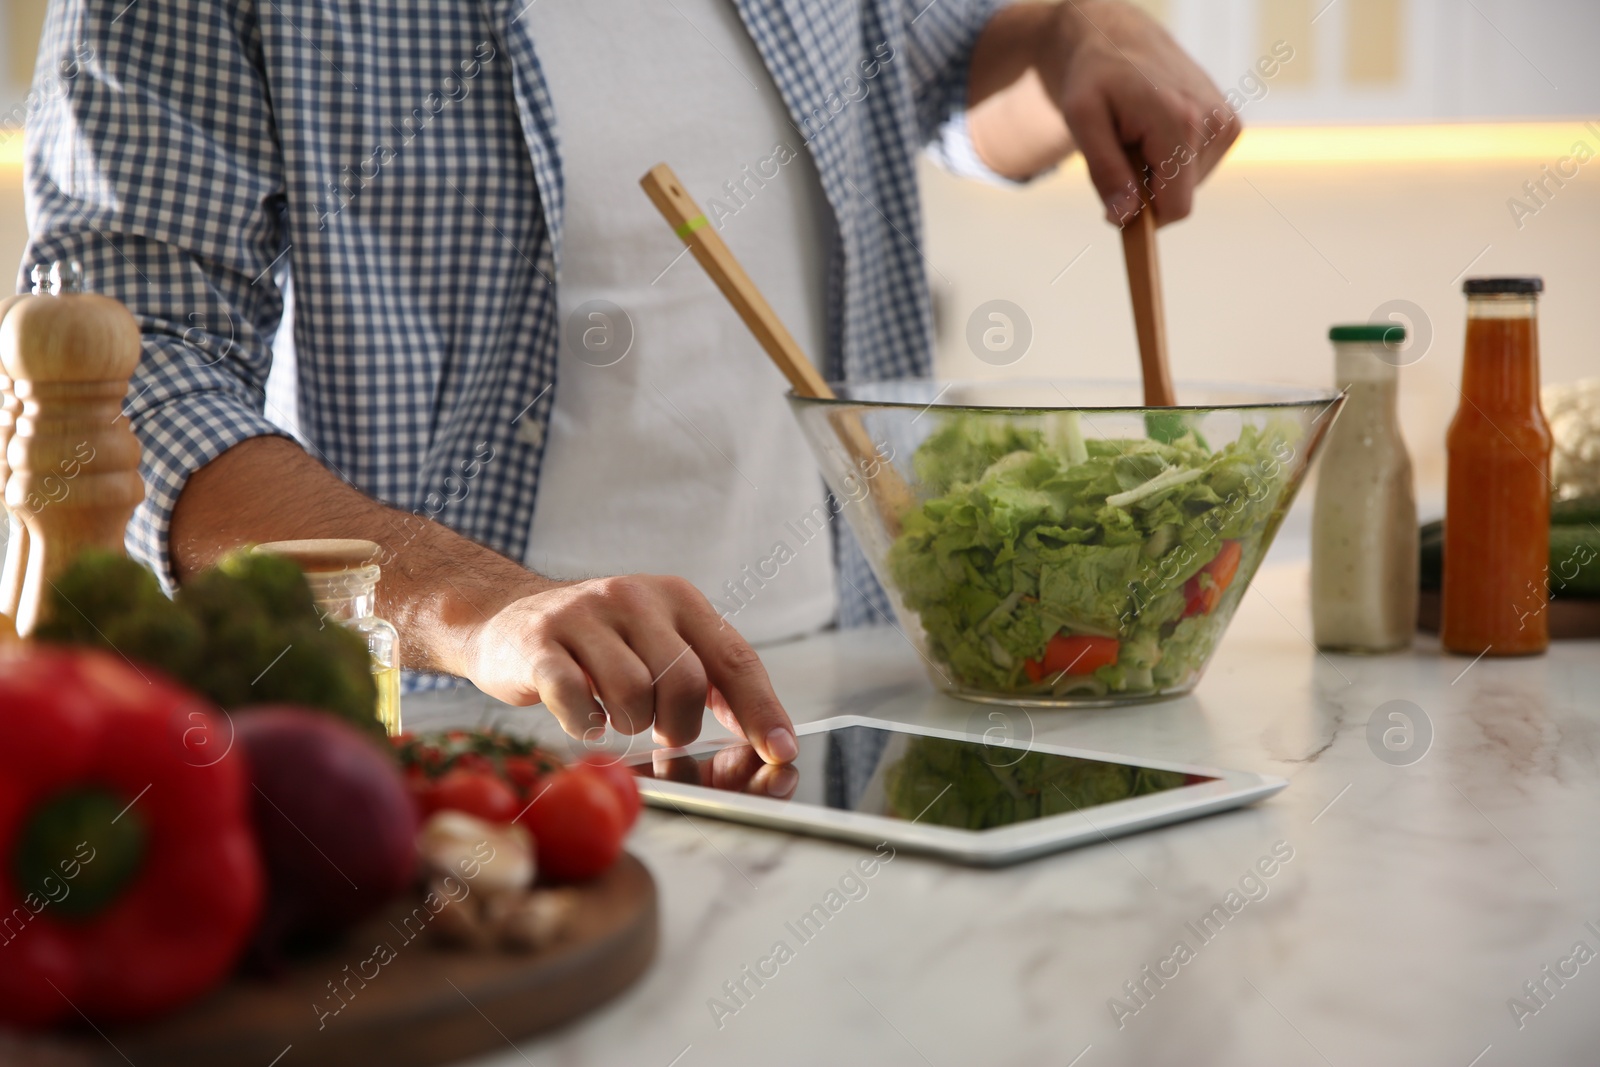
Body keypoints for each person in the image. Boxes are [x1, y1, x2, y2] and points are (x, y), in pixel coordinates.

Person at [22, 0, 1236, 763]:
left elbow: (940, 67)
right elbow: (134, 376)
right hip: (445, 741)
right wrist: (480, 606)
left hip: (847, 712)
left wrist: (1069, 32)